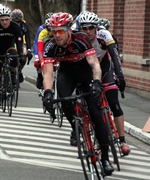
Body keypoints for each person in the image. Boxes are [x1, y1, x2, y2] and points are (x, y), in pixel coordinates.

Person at [42, 12, 114, 175]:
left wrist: (96, 82)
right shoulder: (50, 45)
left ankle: (105, 159)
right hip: (66, 74)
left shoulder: (81, 39)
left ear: (69, 30)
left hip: (86, 72)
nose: (57, 35)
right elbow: (47, 73)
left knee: (96, 115)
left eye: (60, 31)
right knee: (65, 101)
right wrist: (47, 93)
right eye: (54, 31)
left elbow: (94, 64)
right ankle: (75, 125)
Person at [78, 11, 130, 156]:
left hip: (105, 68)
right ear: (80, 28)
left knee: (114, 102)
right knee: (93, 108)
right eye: (84, 28)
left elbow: (115, 55)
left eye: (90, 28)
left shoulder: (104, 35)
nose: (87, 31)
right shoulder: (78, 38)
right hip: (88, 71)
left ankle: (122, 141)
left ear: (96, 27)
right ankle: (100, 140)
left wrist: (120, 76)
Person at [0, 5, 23, 85]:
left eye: (6, 19)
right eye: (2, 20)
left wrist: (20, 53)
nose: (4, 22)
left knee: (14, 58)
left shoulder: (15, 27)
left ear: (10, 18)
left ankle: (13, 75)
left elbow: (19, 41)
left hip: (10, 46)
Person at [11, 9, 33, 83]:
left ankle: (20, 70)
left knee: (23, 57)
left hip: (20, 41)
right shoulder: (9, 24)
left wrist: (29, 50)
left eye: (18, 21)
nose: (17, 23)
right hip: (11, 41)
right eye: (14, 21)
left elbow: (27, 38)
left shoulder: (24, 25)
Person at [34, 12, 53, 89]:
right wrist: (37, 58)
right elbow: (37, 44)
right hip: (44, 48)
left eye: (53, 29)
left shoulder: (58, 32)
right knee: (38, 63)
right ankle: (40, 76)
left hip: (53, 49)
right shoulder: (42, 30)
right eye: (49, 29)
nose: (51, 32)